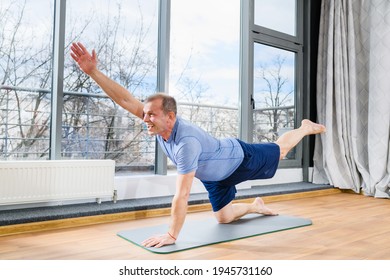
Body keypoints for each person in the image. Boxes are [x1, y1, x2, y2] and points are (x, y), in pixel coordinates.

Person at [70, 42, 326, 248]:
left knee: (279, 151)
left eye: (151, 114)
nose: (144, 118)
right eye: (145, 113)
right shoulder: (159, 124)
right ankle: (254, 206)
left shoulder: (186, 143)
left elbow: (181, 195)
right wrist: (93, 72)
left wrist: (171, 234)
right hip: (215, 177)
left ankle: (304, 127)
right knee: (224, 218)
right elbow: (125, 100)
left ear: (170, 117)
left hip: (238, 158)